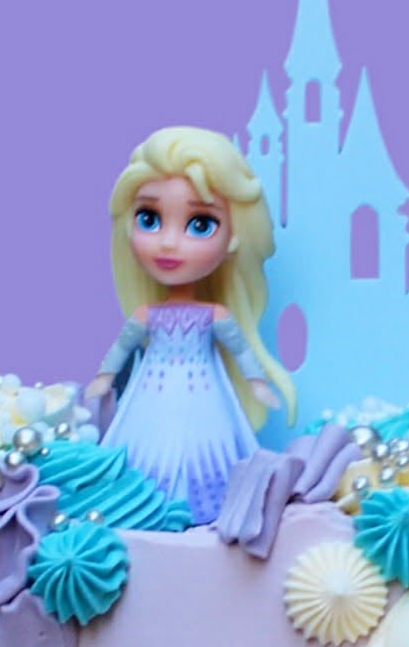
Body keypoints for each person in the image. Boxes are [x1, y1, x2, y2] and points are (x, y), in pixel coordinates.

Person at [85, 126, 296, 526]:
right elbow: (122, 347)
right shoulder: (146, 316)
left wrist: (257, 383)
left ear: (234, 238)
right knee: (145, 447)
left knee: (209, 450)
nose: (168, 243)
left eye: (200, 224)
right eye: (150, 219)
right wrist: (104, 377)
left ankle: (205, 509)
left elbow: (240, 350)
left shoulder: (214, 316)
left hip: (204, 397)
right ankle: (143, 507)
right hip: (151, 395)